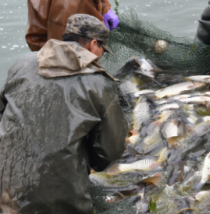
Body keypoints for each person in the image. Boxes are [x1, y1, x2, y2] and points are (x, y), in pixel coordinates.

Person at [0, 14, 128, 214]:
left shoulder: (23, 63)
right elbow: (108, 152)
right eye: (102, 48)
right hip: (61, 200)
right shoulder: (99, 83)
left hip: (6, 185)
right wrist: (90, 162)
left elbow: (3, 112)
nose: (100, 55)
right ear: (93, 43)